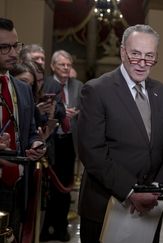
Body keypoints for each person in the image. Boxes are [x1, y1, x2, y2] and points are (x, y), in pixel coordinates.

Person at [77, 24, 163, 243]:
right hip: (106, 205)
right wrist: (132, 192)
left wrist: (156, 190)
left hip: (150, 206)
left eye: (149, 56)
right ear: (123, 51)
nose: (142, 63)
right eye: (136, 55)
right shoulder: (96, 90)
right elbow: (92, 152)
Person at [0, 17, 45, 241]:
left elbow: (31, 130)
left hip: (18, 185)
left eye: (16, 45)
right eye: (4, 47)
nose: (13, 53)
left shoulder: (23, 89)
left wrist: (36, 142)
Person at [40, 50, 82, 242]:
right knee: (50, 189)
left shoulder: (77, 86)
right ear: (53, 66)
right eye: (61, 65)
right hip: (50, 141)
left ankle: (61, 228)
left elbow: (84, 111)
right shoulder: (46, 84)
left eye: (68, 64)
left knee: (65, 187)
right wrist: (62, 113)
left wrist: (75, 114)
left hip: (69, 141)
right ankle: (46, 228)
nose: (66, 68)